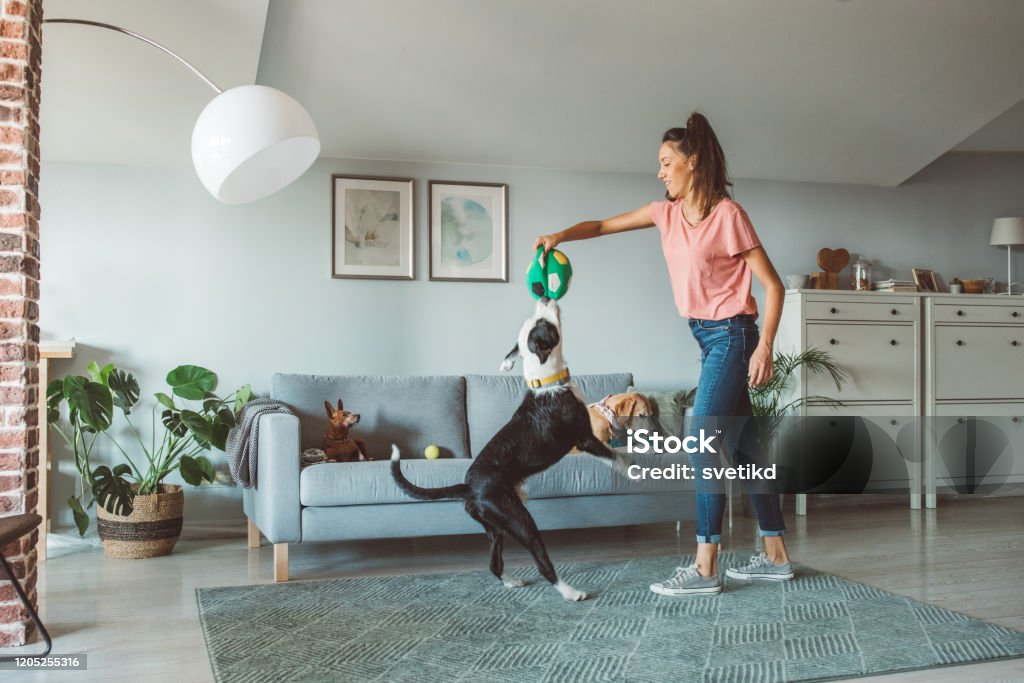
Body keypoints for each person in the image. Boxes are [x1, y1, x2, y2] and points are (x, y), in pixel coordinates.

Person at [533, 112, 792, 596]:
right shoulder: (665, 214)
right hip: (708, 338)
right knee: (745, 449)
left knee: (701, 442)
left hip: (734, 335)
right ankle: (776, 556)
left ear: (692, 162)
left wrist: (765, 347)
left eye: (666, 162)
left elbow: (773, 286)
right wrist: (560, 236)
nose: (660, 172)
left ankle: (705, 568)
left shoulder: (728, 216)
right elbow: (603, 225)